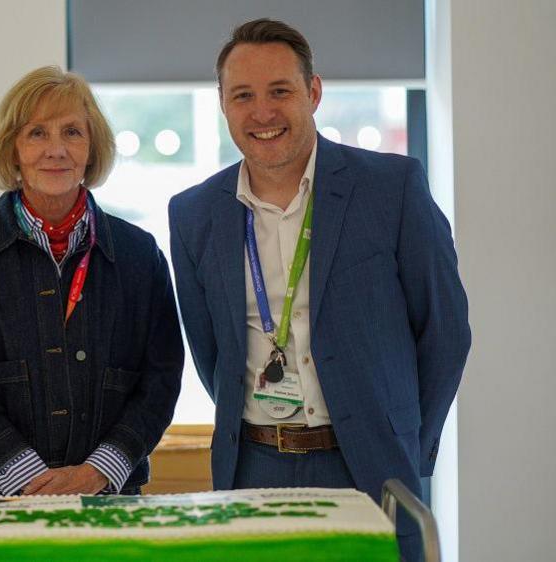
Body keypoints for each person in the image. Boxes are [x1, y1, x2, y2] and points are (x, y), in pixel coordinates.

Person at [168, 19, 470, 562]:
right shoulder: (193, 214)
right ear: (223, 104)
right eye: (243, 95)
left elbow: (445, 333)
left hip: (369, 466)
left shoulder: (391, 188)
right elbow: (210, 351)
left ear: (314, 92)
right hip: (252, 470)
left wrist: (404, 442)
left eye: (280, 91)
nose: (262, 112)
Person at [0, 66, 183, 497]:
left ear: (92, 148)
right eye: (37, 133)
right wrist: (27, 478)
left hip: (107, 497)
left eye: (73, 132)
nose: (56, 150)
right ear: (13, 149)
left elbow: (162, 378)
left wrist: (99, 470)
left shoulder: (140, 254)